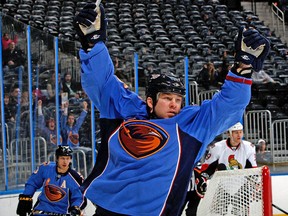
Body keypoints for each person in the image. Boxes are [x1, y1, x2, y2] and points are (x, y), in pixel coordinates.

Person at [73, 3, 270, 215]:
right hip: (108, 211)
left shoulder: (190, 125)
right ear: (150, 101)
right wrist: (93, 45)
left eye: (178, 99)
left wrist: (242, 68)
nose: (174, 104)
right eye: (167, 98)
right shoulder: (124, 110)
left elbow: (228, 107)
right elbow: (101, 82)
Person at [197, 122, 257, 215]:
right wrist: (202, 178)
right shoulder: (217, 147)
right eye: (236, 132)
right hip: (222, 186)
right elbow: (207, 168)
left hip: (241, 186)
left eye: (240, 132)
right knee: (218, 213)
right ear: (229, 134)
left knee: (241, 213)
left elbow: (253, 169)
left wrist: (255, 183)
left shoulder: (248, 147)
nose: (239, 135)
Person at [16, 146, 86, 216]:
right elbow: (33, 182)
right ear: (57, 158)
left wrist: (75, 208)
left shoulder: (76, 177)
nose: (65, 161)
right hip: (41, 211)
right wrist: (26, 196)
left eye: (67, 158)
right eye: (62, 158)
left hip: (62, 213)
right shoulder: (46, 168)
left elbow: (79, 197)